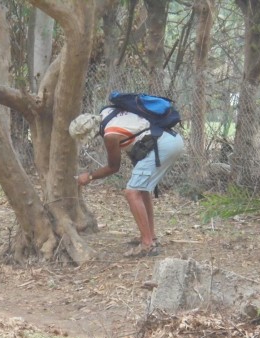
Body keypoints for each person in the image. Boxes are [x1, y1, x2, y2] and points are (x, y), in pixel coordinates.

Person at [71, 108, 185, 257]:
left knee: (132, 193)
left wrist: (90, 176)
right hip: (171, 139)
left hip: (162, 145)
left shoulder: (110, 135)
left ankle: (147, 244)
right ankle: (151, 236)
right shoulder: (106, 112)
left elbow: (113, 167)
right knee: (141, 190)